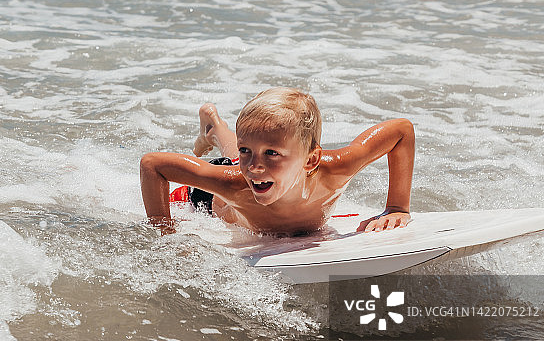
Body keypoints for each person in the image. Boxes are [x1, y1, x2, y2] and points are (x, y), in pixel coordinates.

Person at [140, 87, 414, 235]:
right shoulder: (234, 184)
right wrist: (164, 231)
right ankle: (215, 126)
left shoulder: (335, 169)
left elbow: (401, 130)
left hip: (262, 175)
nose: (255, 165)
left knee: (243, 160)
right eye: (247, 149)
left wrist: (396, 207)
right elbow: (153, 165)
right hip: (210, 197)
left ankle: (214, 125)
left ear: (311, 160)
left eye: (272, 153)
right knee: (237, 162)